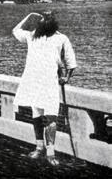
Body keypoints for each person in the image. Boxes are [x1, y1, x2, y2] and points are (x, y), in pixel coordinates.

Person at [12, 11, 77, 166]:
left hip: (50, 84)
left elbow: (70, 60)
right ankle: (39, 147)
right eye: (42, 18)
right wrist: (29, 16)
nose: (45, 20)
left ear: (53, 21)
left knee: (51, 117)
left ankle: (51, 152)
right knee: (36, 117)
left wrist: (66, 77)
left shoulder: (62, 38)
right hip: (34, 82)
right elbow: (15, 31)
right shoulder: (32, 36)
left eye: (48, 17)